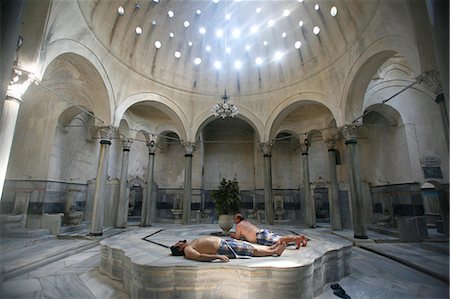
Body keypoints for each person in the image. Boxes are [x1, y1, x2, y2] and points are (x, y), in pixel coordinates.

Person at [170, 235, 286, 262]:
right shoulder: (187, 250)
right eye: (177, 244)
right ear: (179, 249)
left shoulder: (189, 245)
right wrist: (217, 256)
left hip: (224, 243)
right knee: (250, 251)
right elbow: (199, 257)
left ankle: (271, 248)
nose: (179, 242)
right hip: (222, 248)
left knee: (248, 246)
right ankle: (275, 251)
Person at [229, 213, 307, 249]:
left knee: (280, 240)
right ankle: (300, 239)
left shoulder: (239, 225)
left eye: (235, 219)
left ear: (238, 219)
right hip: (262, 232)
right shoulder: (246, 222)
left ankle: (297, 238)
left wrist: (233, 235)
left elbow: (238, 237)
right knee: (281, 239)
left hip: (260, 236)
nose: (234, 220)